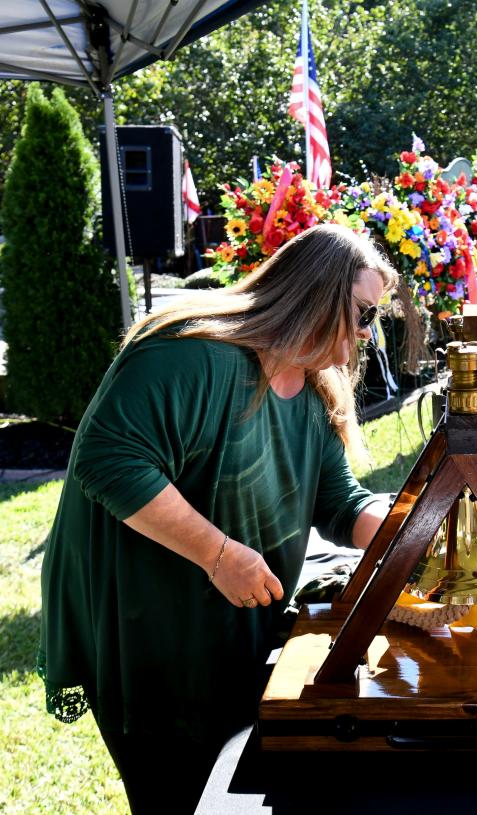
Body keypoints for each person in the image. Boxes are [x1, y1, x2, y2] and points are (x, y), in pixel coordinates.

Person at [38, 224, 397, 814]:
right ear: (314, 294)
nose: (367, 334)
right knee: (176, 797)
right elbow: (108, 459)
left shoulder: (311, 384)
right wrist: (219, 554)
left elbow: (337, 499)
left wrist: (407, 538)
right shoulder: (190, 352)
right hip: (148, 629)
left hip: (233, 627)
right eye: (362, 314)